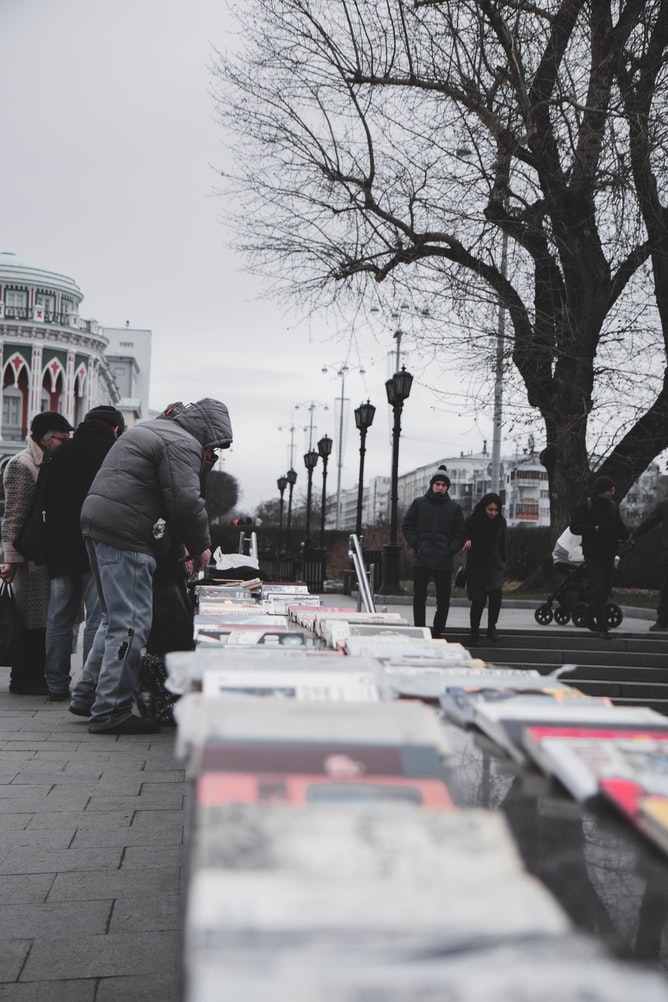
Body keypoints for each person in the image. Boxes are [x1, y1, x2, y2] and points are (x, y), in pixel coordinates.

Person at [77, 397, 233, 735]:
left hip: (100, 522)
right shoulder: (182, 443)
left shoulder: (154, 429)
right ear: (208, 434)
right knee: (131, 623)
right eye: (215, 450)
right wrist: (201, 546)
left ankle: (87, 694)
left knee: (113, 619)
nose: (213, 457)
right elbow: (185, 502)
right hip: (127, 532)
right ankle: (110, 712)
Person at [43, 406, 126, 701]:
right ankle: (88, 687)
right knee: (98, 618)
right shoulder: (115, 452)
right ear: (115, 428)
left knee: (59, 617)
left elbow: (44, 499)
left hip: (61, 547)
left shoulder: (58, 453)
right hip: (99, 544)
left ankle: (55, 683)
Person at [0, 411, 73, 693]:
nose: (64, 443)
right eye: (61, 438)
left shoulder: (47, 462)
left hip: (41, 555)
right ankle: (24, 677)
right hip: (27, 558)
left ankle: (34, 674)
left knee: (41, 618)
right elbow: (14, 515)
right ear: (44, 438)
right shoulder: (22, 465)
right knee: (30, 618)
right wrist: (11, 560)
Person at [401, 465, 465, 637]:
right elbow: (407, 525)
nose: (440, 487)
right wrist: (417, 545)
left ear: (447, 487)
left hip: (443, 560)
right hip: (422, 558)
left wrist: (450, 550)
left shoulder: (454, 508)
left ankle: (438, 631)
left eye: (443, 485)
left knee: (443, 600)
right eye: (437, 484)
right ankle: (420, 629)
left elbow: (460, 533)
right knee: (419, 597)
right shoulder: (419, 504)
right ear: (432, 485)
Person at [570, 475, 630, 639]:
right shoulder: (587, 506)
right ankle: (603, 626)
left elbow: (619, 527)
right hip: (592, 553)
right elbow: (574, 527)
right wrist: (593, 528)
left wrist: (628, 536)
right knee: (598, 588)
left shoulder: (612, 506)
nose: (612, 493)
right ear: (603, 490)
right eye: (610, 490)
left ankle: (589, 618)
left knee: (607, 589)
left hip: (608, 554)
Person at [463, 492, 507, 644]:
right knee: (478, 600)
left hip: (495, 563)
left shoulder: (501, 522)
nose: (493, 513)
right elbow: (465, 535)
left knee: (496, 596)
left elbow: (502, 542)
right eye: (490, 510)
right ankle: (474, 631)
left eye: (496, 510)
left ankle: (491, 628)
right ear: (484, 508)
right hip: (477, 564)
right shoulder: (473, 520)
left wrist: (503, 559)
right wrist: (467, 541)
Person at [630, 498, 668, 632]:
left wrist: (633, 535)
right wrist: (634, 535)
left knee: (666, 588)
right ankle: (663, 620)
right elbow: (650, 522)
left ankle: (663, 621)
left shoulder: (664, 505)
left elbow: (650, 522)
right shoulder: (664, 505)